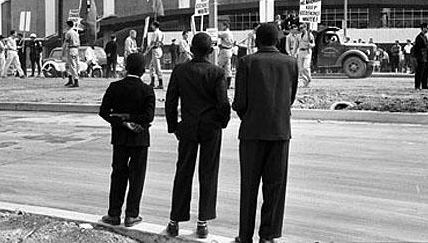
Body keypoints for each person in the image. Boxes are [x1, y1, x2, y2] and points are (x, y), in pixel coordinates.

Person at [232, 23, 298, 243]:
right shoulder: (291, 63)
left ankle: (245, 236)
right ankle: (267, 236)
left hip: (251, 132)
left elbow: (240, 102)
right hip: (280, 132)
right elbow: (290, 97)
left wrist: (250, 117)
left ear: (257, 40)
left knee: (248, 187)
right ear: (277, 40)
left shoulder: (246, 62)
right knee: (275, 188)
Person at [164, 32, 231, 239]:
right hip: (211, 128)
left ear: (191, 49)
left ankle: (174, 221)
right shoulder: (217, 72)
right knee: (208, 173)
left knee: (183, 172)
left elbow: (170, 101)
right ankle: (202, 222)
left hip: (188, 126)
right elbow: (223, 103)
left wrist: (173, 126)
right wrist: (223, 122)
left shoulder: (180, 70)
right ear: (211, 51)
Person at [99, 52, 156, 228]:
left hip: (120, 138)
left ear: (126, 68)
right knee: (137, 177)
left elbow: (104, 112)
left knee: (118, 176)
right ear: (143, 70)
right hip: (140, 139)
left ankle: (113, 214)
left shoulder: (114, 87)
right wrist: (132, 120)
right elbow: (148, 117)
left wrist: (122, 121)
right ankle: (132, 215)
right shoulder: (147, 90)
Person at [413, 22, 428, 90]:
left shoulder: (425, 37)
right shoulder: (419, 37)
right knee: (419, 72)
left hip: (426, 57)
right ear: (423, 28)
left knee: (425, 72)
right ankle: (417, 86)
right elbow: (417, 49)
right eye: (426, 28)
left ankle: (424, 85)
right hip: (421, 57)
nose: (427, 30)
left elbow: (427, 48)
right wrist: (419, 57)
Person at [296, 23, 314, 87]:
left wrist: (310, 45)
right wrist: (294, 52)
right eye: (300, 28)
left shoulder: (310, 35)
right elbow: (296, 44)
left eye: (302, 28)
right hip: (300, 51)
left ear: (305, 28)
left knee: (305, 67)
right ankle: (305, 80)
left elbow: (313, 44)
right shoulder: (298, 36)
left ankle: (309, 78)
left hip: (307, 51)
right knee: (300, 68)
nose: (301, 29)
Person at [62, 20, 80, 87]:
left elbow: (66, 43)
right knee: (68, 65)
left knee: (72, 65)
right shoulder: (76, 33)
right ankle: (70, 79)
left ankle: (76, 80)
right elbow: (79, 43)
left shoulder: (69, 33)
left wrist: (63, 51)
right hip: (76, 49)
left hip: (70, 49)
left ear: (68, 25)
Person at [218, 21, 234, 89]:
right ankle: (228, 84)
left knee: (219, 65)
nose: (221, 27)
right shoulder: (230, 33)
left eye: (222, 26)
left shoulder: (225, 33)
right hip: (229, 50)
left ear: (225, 26)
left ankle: (219, 82)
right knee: (228, 68)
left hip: (224, 51)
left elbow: (217, 35)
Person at [148, 21, 164, 89]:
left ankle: (160, 83)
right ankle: (152, 82)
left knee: (157, 67)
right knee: (151, 66)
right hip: (159, 49)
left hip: (155, 50)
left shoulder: (155, 33)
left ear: (154, 25)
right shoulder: (161, 32)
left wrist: (147, 50)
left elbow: (153, 43)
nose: (151, 27)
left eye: (152, 25)